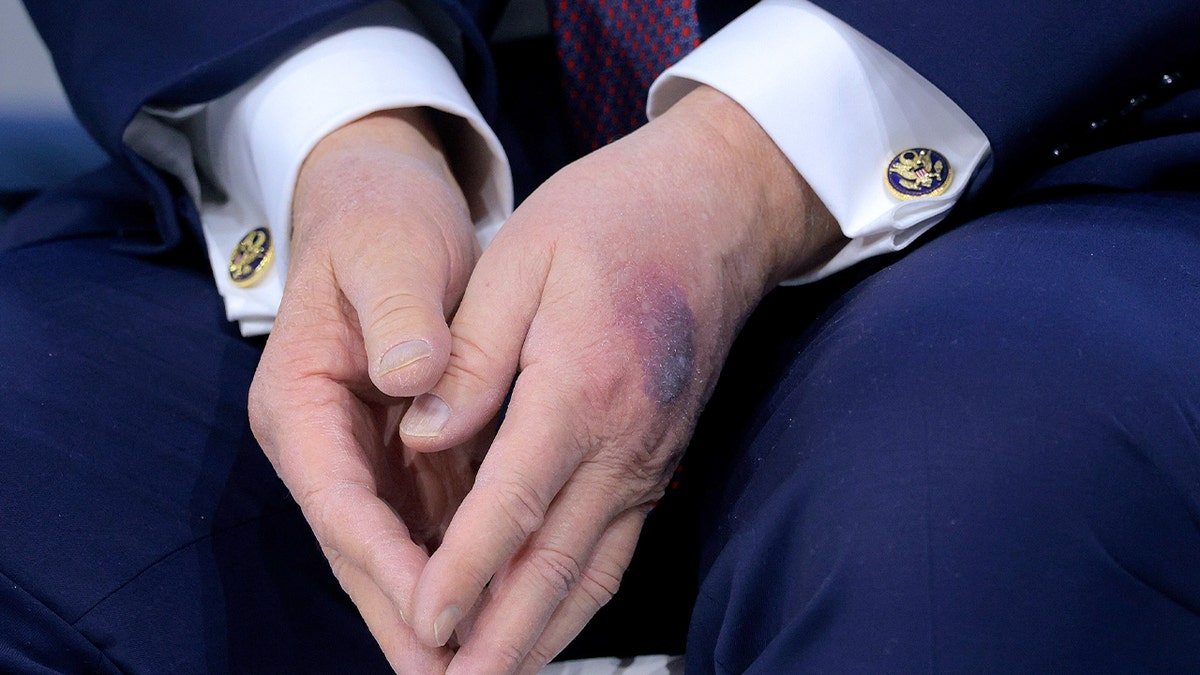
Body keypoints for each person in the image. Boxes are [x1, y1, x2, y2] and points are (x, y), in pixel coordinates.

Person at [3, 0, 1199, 672]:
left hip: (1053, 146)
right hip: (455, 105)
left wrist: (744, 163)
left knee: (969, 513)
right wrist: (351, 139)